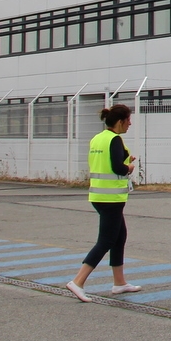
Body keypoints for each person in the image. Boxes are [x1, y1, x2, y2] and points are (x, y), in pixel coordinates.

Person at [65, 104, 139, 301]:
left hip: (98, 195)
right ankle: (78, 281)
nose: (130, 124)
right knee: (106, 240)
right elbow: (117, 167)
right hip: (110, 197)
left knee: (120, 236)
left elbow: (105, 161)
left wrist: (125, 157)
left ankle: (119, 283)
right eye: (128, 120)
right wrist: (129, 167)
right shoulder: (114, 139)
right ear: (120, 121)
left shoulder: (98, 138)